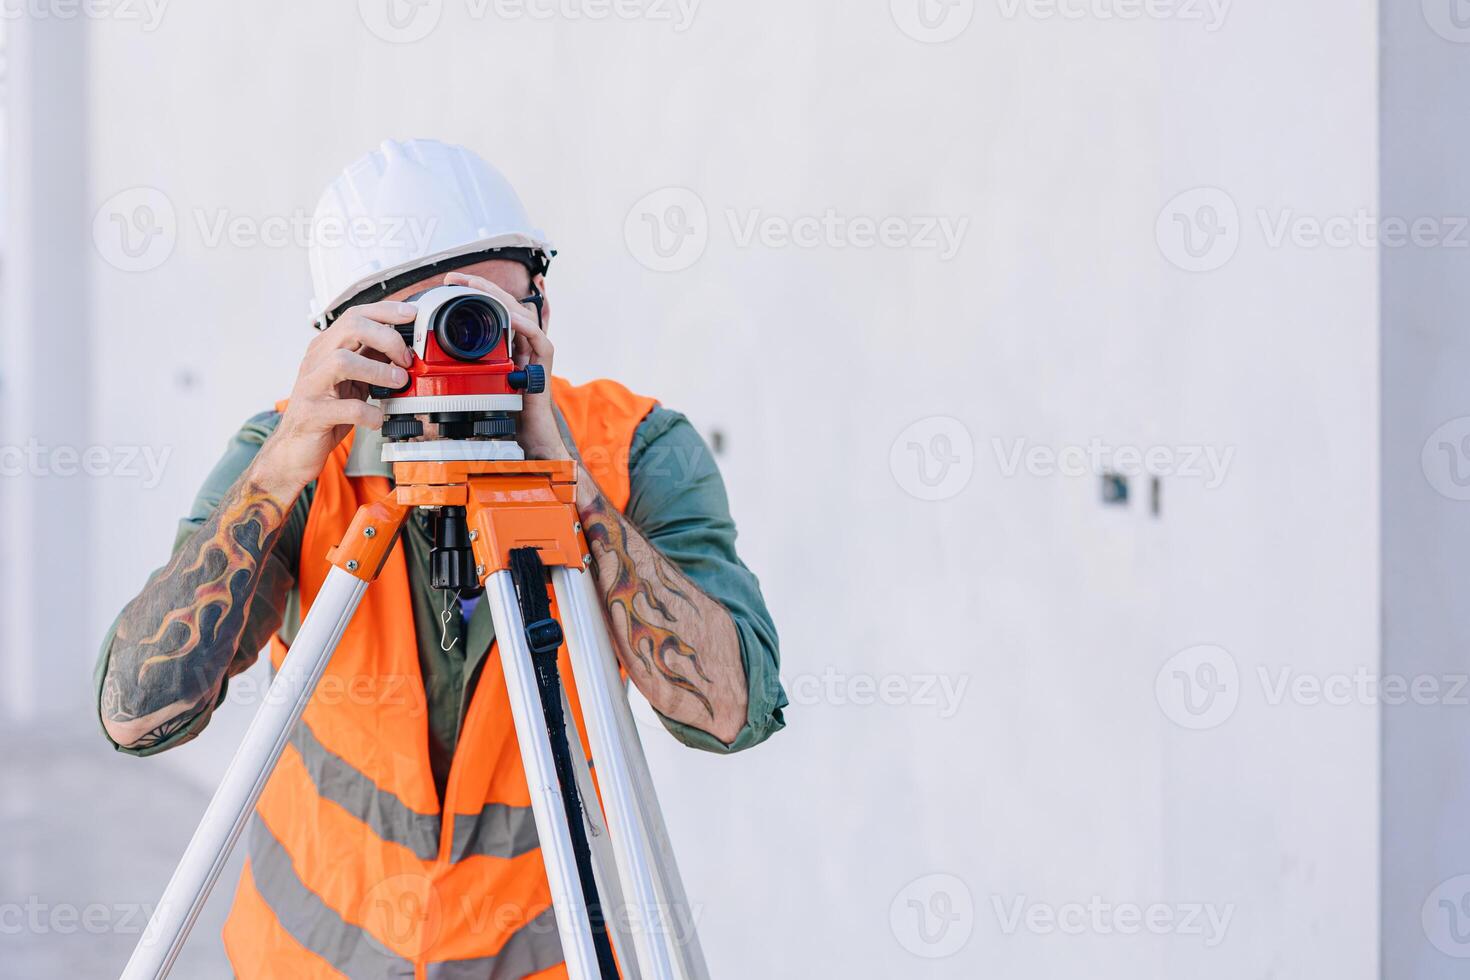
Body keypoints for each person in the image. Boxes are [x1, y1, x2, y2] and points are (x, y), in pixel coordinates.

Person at [93, 138, 787, 978]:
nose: (466, 349)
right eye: (425, 327)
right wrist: (286, 460)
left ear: (542, 313)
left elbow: (729, 713)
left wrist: (569, 490)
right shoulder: (296, 462)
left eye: (487, 316)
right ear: (348, 341)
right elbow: (135, 714)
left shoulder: (632, 453)